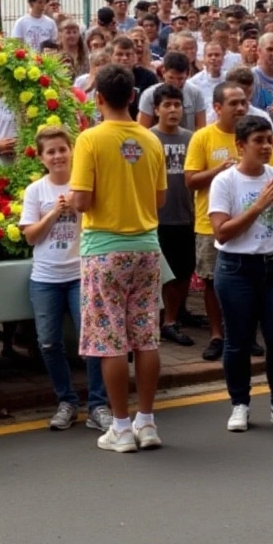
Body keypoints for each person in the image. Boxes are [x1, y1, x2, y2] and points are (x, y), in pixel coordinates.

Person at [70, 63, 167, 453]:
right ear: (132, 96)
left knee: (109, 339)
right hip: (146, 245)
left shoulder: (90, 139)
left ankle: (122, 426)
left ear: (98, 98)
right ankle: (147, 421)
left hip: (104, 248)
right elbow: (158, 199)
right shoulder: (151, 139)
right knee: (146, 336)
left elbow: (82, 199)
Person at [208, 115, 273, 431]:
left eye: (269, 140)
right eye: (259, 141)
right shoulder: (225, 181)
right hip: (236, 268)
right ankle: (240, 404)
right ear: (240, 146)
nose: (267, 146)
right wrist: (257, 206)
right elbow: (222, 232)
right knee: (237, 341)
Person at [20, 126, 110, 431]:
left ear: (72, 151)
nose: (58, 156)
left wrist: (78, 210)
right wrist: (53, 214)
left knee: (92, 339)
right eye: (51, 152)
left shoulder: (84, 186)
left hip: (81, 274)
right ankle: (67, 400)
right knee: (48, 342)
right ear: (42, 158)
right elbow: (31, 237)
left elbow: (97, 228)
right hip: (45, 277)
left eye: (62, 149)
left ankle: (98, 403)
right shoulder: (36, 191)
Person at [186, 83, 273, 362]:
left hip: (257, 226)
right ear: (217, 108)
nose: (240, 108)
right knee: (212, 283)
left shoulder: (256, 136)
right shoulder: (203, 137)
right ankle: (217, 335)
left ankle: (246, 335)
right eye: (233, 103)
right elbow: (190, 180)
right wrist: (221, 170)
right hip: (211, 224)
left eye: (243, 102)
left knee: (250, 283)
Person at [148, 87, 196, 347]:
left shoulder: (191, 139)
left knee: (182, 271)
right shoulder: (148, 138)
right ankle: (156, 321)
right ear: (156, 109)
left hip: (186, 215)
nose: (173, 110)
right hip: (156, 218)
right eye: (167, 105)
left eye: (177, 105)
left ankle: (172, 320)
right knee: (158, 274)